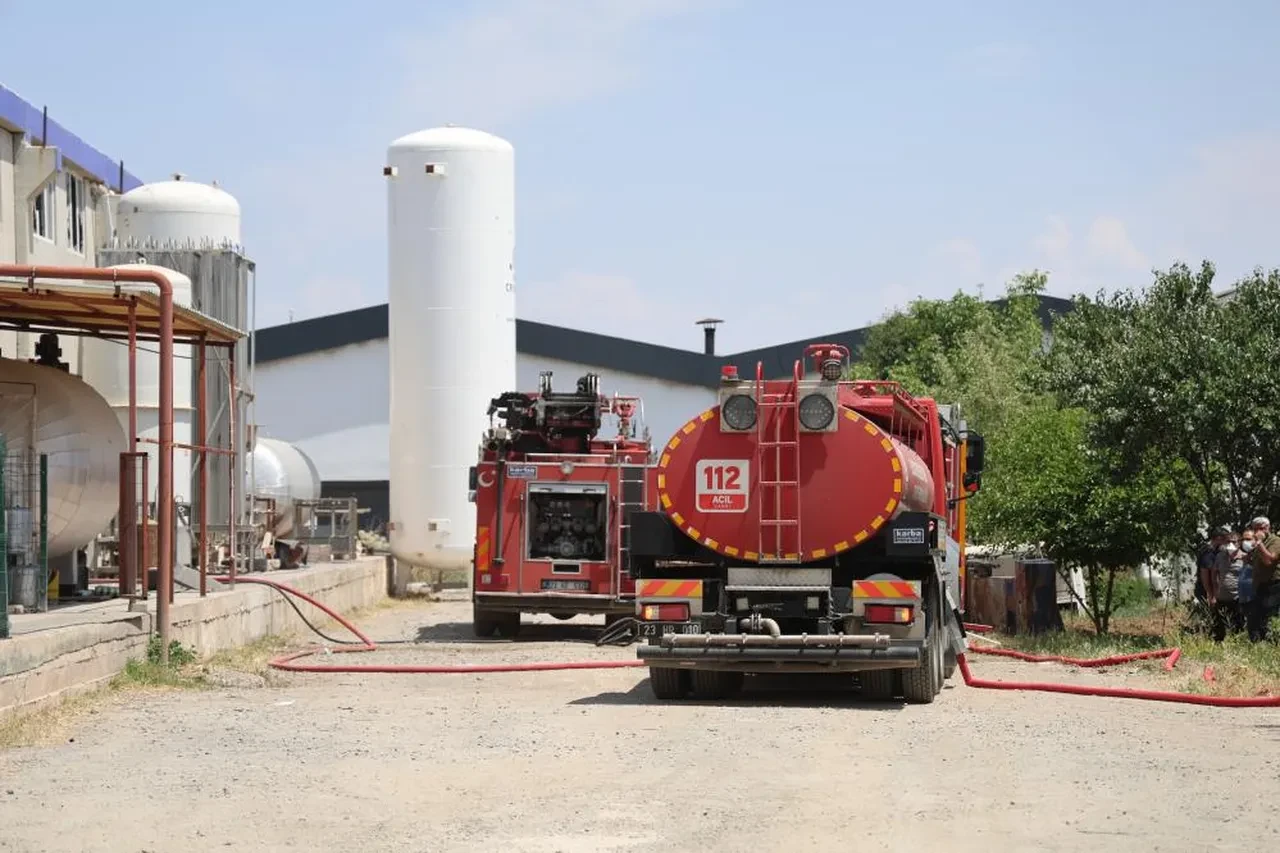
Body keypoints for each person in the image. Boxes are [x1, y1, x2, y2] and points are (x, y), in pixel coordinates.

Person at [1245, 517, 1279, 641]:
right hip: (1260, 585)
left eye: (1260, 528)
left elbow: (1269, 561)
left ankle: (1271, 642)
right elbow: (1253, 562)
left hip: (1273, 585)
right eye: (1255, 529)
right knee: (1254, 617)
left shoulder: (1275, 541)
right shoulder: (1259, 543)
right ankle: (1256, 643)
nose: (1257, 531)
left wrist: (1259, 544)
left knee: (1268, 616)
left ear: (1267, 528)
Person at [1210, 530, 1245, 641]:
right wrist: (1214, 594)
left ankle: (1237, 647)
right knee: (1219, 627)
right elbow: (1214, 573)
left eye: (1234, 542)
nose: (1231, 544)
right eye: (1228, 542)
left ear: (1239, 543)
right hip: (1221, 597)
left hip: (1237, 598)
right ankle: (1218, 647)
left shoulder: (1245, 558)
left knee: (1238, 626)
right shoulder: (1220, 556)